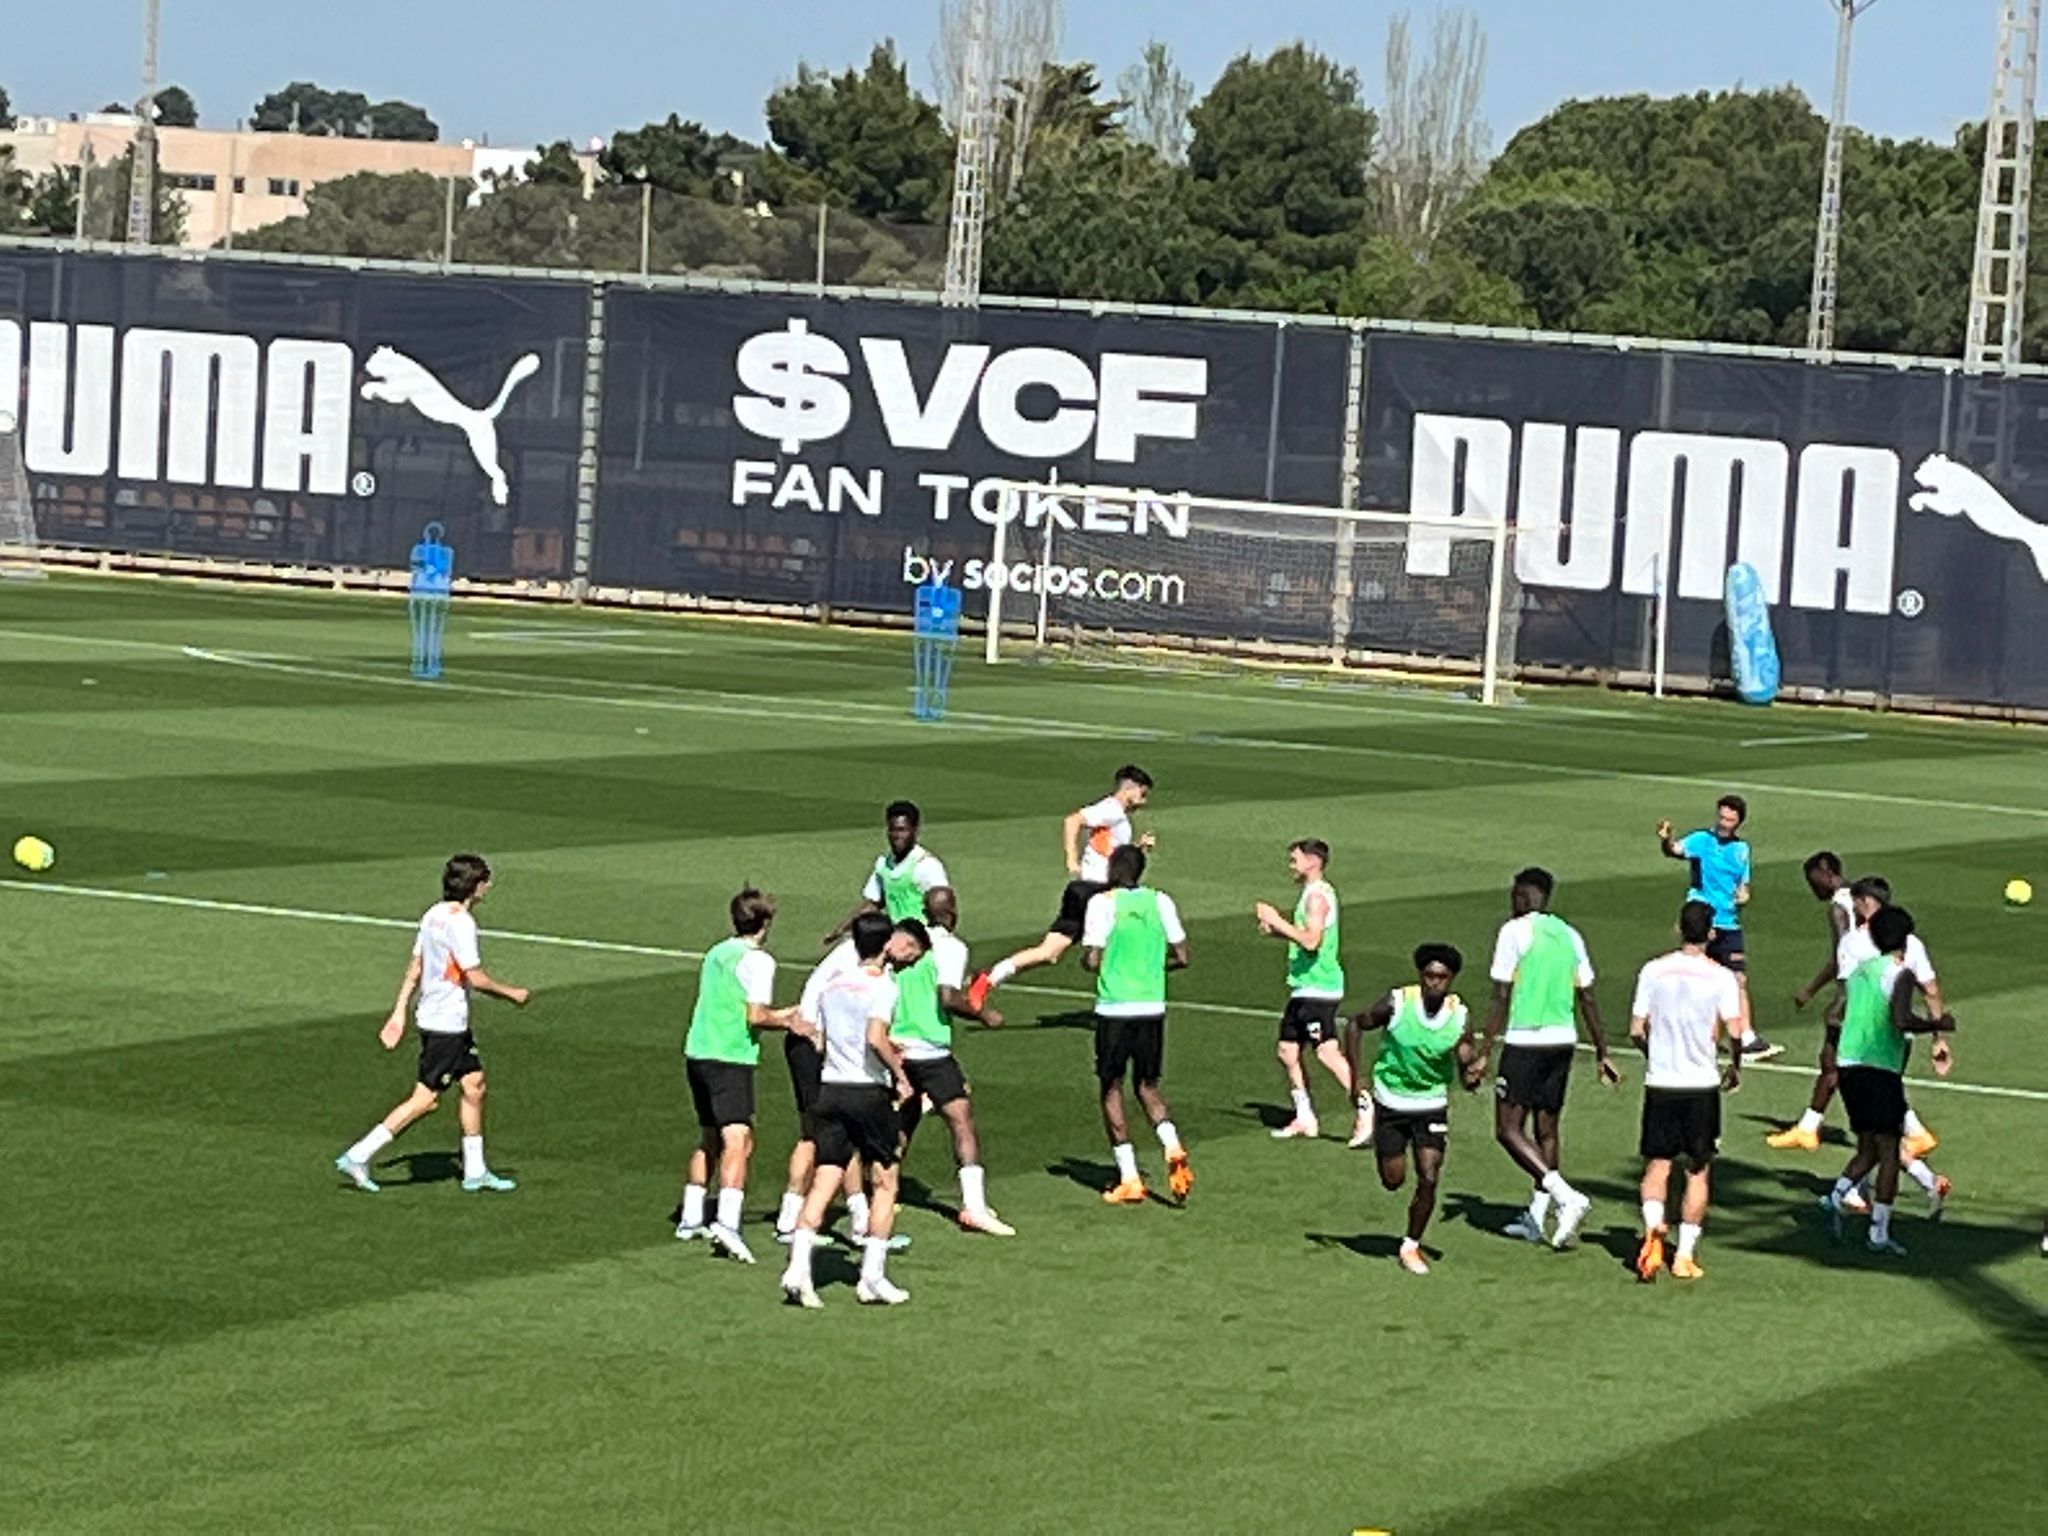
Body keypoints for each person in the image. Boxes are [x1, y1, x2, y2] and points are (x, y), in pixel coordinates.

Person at [335, 854, 531, 1194]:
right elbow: (476, 977)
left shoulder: (433, 915)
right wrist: (512, 993)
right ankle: (358, 1155)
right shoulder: (461, 923)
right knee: (425, 1100)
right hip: (447, 1025)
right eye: (486, 880)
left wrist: (399, 1011)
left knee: (474, 1084)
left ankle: (475, 1170)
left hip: (436, 1018)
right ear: (475, 885)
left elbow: (415, 965)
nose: (489, 886)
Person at [779, 912, 927, 1308]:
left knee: (826, 1177)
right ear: (884, 946)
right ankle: (872, 1278)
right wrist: (899, 1073)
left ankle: (797, 1268)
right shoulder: (884, 987)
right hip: (867, 1093)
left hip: (831, 1089)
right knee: (885, 1180)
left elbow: (823, 1040)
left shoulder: (830, 986)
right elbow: (875, 1037)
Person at [1471, 867, 1620, 1250]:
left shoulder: (1514, 931)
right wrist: (1602, 1050)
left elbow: (1500, 995)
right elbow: (1587, 995)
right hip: (1564, 1042)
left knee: (1507, 1129)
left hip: (1527, 1041)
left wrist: (1485, 1051)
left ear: (1523, 896)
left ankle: (1566, 1197)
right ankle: (1537, 1217)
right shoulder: (1570, 935)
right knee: (1547, 1130)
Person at [675, 887, 804, 1263]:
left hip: (698, 1050)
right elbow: (756, 1015)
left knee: (709, 1137)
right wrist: (791, 1018)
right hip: (729, 1056)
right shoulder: (759, 961)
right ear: (765, 923)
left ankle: (690, 1217)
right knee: (739, 1139)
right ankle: (728, 1224)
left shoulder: (717, 951)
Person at [1819, 906, 1956, 1256]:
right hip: (1879, 1068)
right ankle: (1878, 1233)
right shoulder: (1902, 973)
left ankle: (1836, 1199)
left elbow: (1842, 1012)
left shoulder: (1861, 970)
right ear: (1906, 941)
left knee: (1867, 1148)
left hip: (1849, 1065)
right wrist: (1937, 1026)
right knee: (1890, 1153)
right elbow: (1900, 1019)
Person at [967, 765, 1155, 1009]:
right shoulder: (1112, 810)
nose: (1144, 800)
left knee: (1049, 953)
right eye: (1143, 793)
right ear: (1129, 788)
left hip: (1083, 890)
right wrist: (1071, 857)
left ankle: (987, 980)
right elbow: (1072, 820)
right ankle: (1124, 1003)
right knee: (1120, 945)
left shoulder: (1115, 816)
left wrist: (1137, 849)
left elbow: (1111, 856)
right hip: (1099, 894)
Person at [1630, 902, 1745, 1283]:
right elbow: (1735, 1031)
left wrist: (1653, 1055)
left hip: (1661, 1081)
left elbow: (1635, 1028)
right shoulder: (1721, 977)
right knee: (1697, 1170)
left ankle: (1652, 1229)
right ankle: (1683, 1255)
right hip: (1700, 1083)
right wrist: (1735, 1065)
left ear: (1678, 926)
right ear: (1711, 933)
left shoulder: (1653, 970)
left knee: (1657, 1164)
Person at [1347, 944, 1478, 1275]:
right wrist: (1356, 1078)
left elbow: (1466, 1065)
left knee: (1429, 1176)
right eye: (1429, 976)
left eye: (1442, 977)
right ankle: (1383, 1143)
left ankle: (1410, 1245)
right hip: (1391, 1101)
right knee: (1393, 1180)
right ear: (1421, 976)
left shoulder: (1459, 1016)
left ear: (1452, 979)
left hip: (1431, 1105)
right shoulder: (1398, 1003)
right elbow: (1355, 1025)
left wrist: (1470, 1071)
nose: (1435, 983)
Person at [892, 887, 1015, 1236]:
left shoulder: (902, 942)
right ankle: (973, 1206)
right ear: (952, 912)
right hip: (930, 1050)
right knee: (961, 1120)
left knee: (906, 1116)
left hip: (898, 1047)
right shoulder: (951, 947)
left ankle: (882, 1190)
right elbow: (947, 997)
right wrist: (984, 1014)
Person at [1081, 845, 1193, 1205]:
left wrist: (1099, 964)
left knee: (1111, 1087)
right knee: (1147, 1086)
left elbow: (1092, 957)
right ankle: (1172, 1145)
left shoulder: (1102, 903)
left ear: (1113, 868)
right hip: (1151, 1007)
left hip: (1115, 1009)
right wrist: (1152, 970)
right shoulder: (1161, 901)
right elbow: (1182, 956)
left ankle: (1129, 1176)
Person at [1253, 839, 1371, 1147]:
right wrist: (1277, 930)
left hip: (1319, 988)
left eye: (1295, 859)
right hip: (1304, 987)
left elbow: (1311, 941)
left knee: (1326, 1052)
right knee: (1287, 1051)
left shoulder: (1317, 898)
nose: (1291, 865)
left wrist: (1278, 921)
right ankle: (1304, 1116)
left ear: (1312, 861)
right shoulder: (1311, 894)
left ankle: (1367, 1109)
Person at [1654, 796, 1780, 1062]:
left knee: (1738, 980)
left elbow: (1743, 885)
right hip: (1702, 918)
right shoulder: (1701, 840)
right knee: (1697, 978)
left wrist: (1743, 896)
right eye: (1721, 817)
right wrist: (1665, 839)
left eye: (1730, 820)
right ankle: (1693, 1033)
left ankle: (1747, 1039)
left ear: (1738, 822)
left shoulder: (1742, 849)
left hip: (1729, 922)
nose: (1724, 824)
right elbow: (1674, 850)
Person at [1767, 851, 1857, 1150]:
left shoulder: (1838, 908)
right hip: (1869, 988)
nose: (1812, 887)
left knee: (1844, 1063)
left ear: (1825, 871)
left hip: (1855, 992)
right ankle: (1808, 1126)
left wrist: (1813, 990)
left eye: (1813, 880)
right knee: (1832, 1060)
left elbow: (1845, 955)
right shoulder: (1861, 897)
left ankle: (1910, 1128)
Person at [826, 800, 951, 941]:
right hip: (896, 938)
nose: (896, 836)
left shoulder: (926, 864)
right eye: (892, 830)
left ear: (915, 831)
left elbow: (943, 903)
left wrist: (939, 939)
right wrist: (842, 929)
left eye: (902, 830)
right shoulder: (883, 864)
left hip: (921, 939)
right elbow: (873, 904)